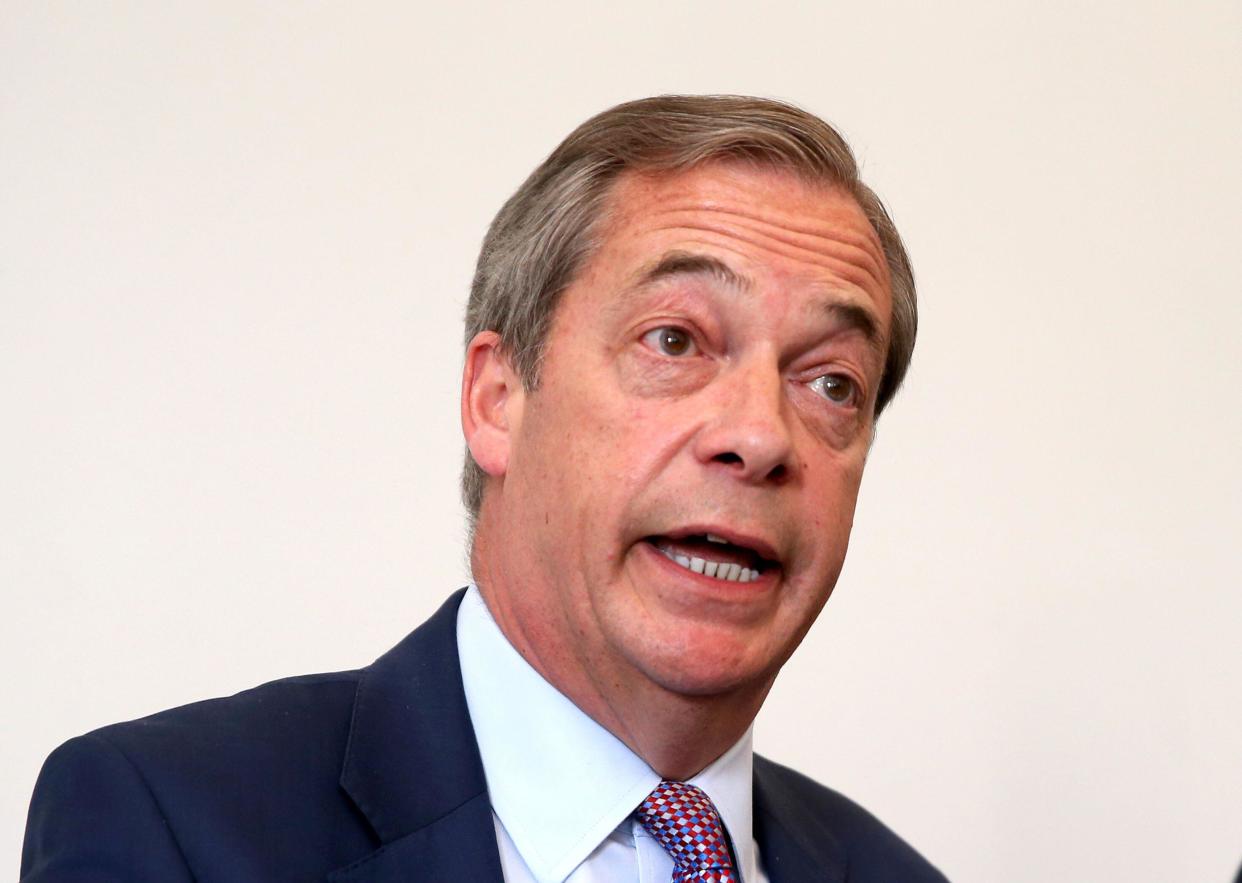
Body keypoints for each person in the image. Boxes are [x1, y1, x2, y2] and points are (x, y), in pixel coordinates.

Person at [21, 95, 948, 882]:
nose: (758, 435)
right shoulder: (168, 822)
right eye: (675, 340)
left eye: (831, 381)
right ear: (497, 400)